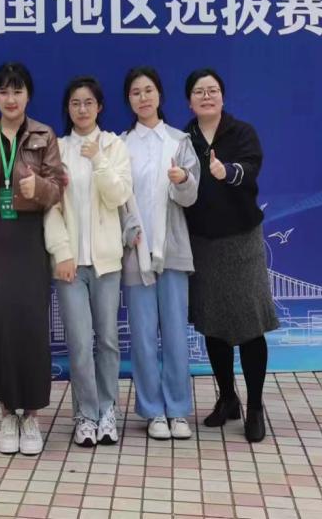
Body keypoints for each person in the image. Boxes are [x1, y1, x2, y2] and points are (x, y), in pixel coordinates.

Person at [0, 62, 63, 456]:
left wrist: (40, 188)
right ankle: (6, 415)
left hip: (29, 240)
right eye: (4, 91)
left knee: (31, 328)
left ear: (28, 95)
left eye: (17, 91)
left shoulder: (44, 136)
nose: (11, 98)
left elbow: (59, 188)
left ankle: (31, 415)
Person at [183, 68, 278, 443]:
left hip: (241, 240)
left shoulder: (242, 133)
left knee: (250, 324)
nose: (206, 96)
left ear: (222, 96)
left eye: (213, 90)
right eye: (199, 91)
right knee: (214, 322)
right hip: (203, 241)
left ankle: (255, 407)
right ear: (189, 101)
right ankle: (227, 398)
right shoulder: (184, 138)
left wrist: (227, 171)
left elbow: (251, 168)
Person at [44, 76, 133, 447]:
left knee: (108, 340)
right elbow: (49, 206)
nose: (82, 109)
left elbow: (118, 195)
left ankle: (108, 410)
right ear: (67, 108)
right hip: (70, 265)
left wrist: (97, 158)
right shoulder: (57, 148)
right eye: (75, 103)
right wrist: (61, 252)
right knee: (80, 343)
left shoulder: (113, 145)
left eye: (88, 103)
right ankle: (85, 413)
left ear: (100, 107)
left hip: (106, 262)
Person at [119, 66, 200, 441]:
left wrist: (182, 181)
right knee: (142, 335)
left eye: (148, 90)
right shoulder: (121, 145)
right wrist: (128, 230)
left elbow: (191, 196)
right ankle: (152, 411)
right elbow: (117, 198)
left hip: (173, 250)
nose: (143, 98)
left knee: (175, 334)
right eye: (136, 92)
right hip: (136, 252)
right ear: (129, 100)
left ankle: (178, 410)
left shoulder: (179, 141)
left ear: (160, 96)